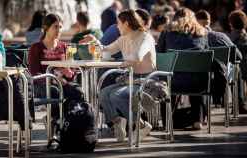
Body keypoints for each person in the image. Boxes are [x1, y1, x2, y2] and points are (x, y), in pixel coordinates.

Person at [81, 9, 156, 142]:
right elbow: (105, 49)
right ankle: (118, 121)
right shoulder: (123, 39)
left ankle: (142, 125)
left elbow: (137, 56)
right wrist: (94, 42)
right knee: (103, 93)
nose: (117, 26)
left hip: (146, 80)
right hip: (129, 79)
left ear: (126, 23)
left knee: (116, 95)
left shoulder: (146, 37)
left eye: (119, 23)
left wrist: (121, 63)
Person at [157, 8, 209, 130]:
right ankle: (197, 120)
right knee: (196, 71)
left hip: (172, 82)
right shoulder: (202, 32)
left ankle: (167, 121)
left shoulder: (166, 32)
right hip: (199, 84)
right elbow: (205, 54)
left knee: (167, 76)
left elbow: (160, 54)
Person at [28, 14, 83, 121]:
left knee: (78, 92)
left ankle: (65, 119)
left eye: (60, 27)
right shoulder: (36, 48)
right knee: (55, 91)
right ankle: (55, 120)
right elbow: (34, 73)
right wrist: (54, 80)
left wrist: (70, 73)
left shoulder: (64, 47)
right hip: (42, 84)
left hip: (62, 83)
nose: (59, 30)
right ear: (45, 28)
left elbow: (71, 72)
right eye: (55, 27)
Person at [228, 10, 247, 113]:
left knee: (232, 67)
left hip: (236, 70)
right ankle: (240, 104)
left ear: (231, 24)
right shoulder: (245, 36)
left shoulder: (230, 37)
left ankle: (237, 104)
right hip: (244, 67)